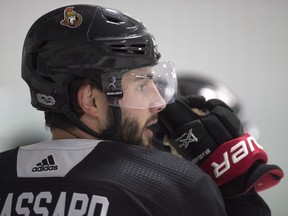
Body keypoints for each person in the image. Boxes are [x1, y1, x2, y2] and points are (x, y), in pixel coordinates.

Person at [0, 4, 283, 216]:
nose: (159, 102)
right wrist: (236, 193)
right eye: (142, 83)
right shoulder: (176, 186)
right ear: (92, 101)